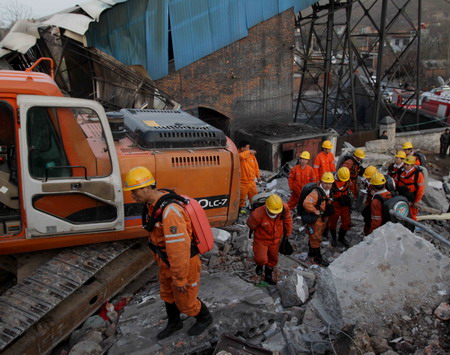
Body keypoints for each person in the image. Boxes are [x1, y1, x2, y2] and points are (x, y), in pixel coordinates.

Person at [123, 166, 212, 339]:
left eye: (135, 191)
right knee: (167, 294)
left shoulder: (170, 213)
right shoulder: (153, 205)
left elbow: (178, 249)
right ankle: (174, 323)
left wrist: (180, 278)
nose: (132, 196)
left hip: (183, 263)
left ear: (147, 188)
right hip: (166, 262)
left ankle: (205, 318)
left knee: (186, 302)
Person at [247, 194, 292, 285]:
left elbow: (288, 220)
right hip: (261, 239)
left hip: (276, 239)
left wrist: (287, 234)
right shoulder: (257, 214)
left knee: (273, 259)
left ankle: (268, 275)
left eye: (276, 212)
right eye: (272, 212)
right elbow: (251, 224)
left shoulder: (284, 209)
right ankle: (259, 266)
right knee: (261, 258)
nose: (274, 214)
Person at [303, 172, 335, 266]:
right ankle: (317, 258)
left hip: (323, 219)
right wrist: (315, 211)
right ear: (321, 182)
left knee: (316, 236)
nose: (328, 185)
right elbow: (306, 203)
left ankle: (311, 252)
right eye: (326, 183)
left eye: (330, 183)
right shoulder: (316, 193)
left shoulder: (328, 192)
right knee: (316, 238)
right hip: (317, 219)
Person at [395, 155, 425, 221]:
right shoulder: (400, 171)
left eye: (407, 165)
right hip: (400, 196)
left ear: (412, 165)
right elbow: (395, 182)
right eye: (405, 164)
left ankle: (410, 228)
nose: (405, 166)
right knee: (399, 213)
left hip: (411, 198)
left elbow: (421, 189)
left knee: (412, 216)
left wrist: (416, 201)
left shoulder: (418, 174)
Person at [328, 167, 351, 248]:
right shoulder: (330, 180)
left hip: (344, 204)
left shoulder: (346, 179)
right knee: (332, 224)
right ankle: (334, 238)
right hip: (335, 205)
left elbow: (349, 189)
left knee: (347, 223)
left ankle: (341, 238)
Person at [238, 140, 261, 214]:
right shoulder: (238, 155)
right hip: (242, 182)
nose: (249, 149)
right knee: (241, 198)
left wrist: (258, 176)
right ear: (242, 148)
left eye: (249, 148)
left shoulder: (251, 156)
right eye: (247, 148)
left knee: (254, 196)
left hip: (251, 181)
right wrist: (250, 151)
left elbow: (256, 166)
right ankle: (240, 210)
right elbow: (241, 156)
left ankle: (254, 209)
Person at [360, 165, 378, 236]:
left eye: (368, 178)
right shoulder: (370, 184)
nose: (367, 179)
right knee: (367, 220)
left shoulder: (377, 185)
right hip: (370, 204)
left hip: (375, 207)